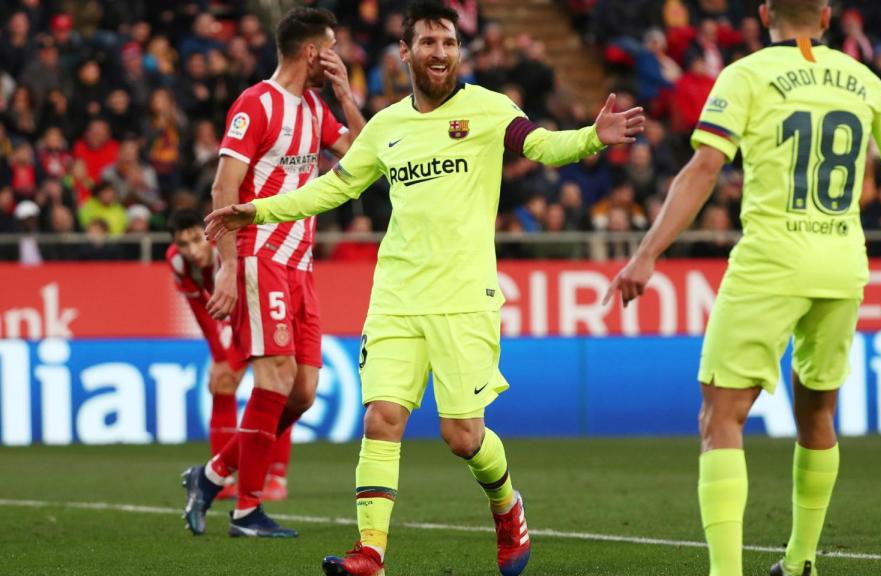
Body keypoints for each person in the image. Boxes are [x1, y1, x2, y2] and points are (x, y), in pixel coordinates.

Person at [204, 1, 643, 572]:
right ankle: (371, 552)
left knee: (462, 436)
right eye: (429, 43)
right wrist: (256, 212)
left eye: (449, 42)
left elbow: (539, 145)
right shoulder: (385, 127)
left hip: (464, 298)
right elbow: (329, 190)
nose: (440, 52)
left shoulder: (487, 108)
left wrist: (591, 137)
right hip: (396, 298)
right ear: (405, 53)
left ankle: (507, 507)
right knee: (381, 418)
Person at [603, 1, 881, 575]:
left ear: (766, 12)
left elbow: (703, 169)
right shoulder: (862, 78)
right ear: (826, 16)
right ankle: (802, 560)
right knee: (818, 414)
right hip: (843, 263)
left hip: (773, 260)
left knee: (721, 416)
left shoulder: (746, 75)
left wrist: (646, 254)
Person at [181, 6, 365, 538]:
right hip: (260, 256)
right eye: (330, 49)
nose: (336, 58)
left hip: (301, 263)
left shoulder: (314, 109)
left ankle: (212, 475)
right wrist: (226, 266)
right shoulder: (256, 104)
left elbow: (366, 154)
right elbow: (223, 189)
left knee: (302, 393)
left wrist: (347, 98)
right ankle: (247, 510)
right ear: (312, 53)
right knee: (276, 377)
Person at [167, 209, 294, 502]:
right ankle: (221, 479)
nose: (191, 250)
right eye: (183, 244)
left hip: (262, 306)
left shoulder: (230, 246)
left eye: (196, 239)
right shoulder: (176, 261)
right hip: (233, 317)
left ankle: (276, 477)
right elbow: (201, 309)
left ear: (208, 233)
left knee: (278, 389)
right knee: (222, 381)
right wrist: (219, 354)